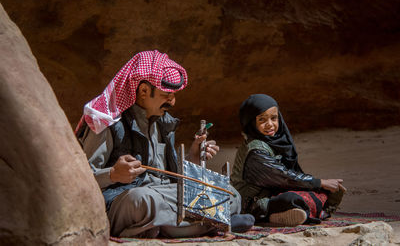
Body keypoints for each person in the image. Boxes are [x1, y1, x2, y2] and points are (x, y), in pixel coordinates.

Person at [76, 50, 254, 238]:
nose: (173, 102)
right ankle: (211, 224)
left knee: (229, 193)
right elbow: (82, 180)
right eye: (166, 95)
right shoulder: (105, 122)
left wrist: (193, 154)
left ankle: (171, 226)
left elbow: (172, 176)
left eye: (174, 95)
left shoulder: (163, 123)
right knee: (143, 201)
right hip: (125, 200)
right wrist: (112, 174)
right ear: (144, 91)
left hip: (165, 195)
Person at [231, 94, 346, 226]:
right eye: (262, 120)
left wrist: (318, 185)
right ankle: (270, 216)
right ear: (251, 122)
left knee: (316, 191)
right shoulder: (255, 150)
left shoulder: (273, 141)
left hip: (271, 192)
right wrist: (319, 182)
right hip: (252, 203)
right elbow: (283, 177)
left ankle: (286, 214)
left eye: (274, 118)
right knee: (293, 198)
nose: (270, 124)